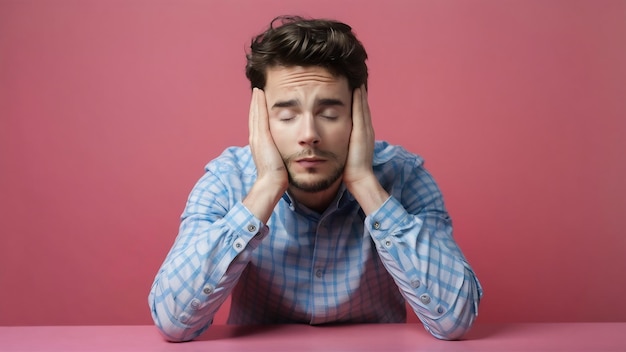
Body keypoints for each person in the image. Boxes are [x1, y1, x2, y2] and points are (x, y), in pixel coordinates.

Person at [149, 15, 483, 342]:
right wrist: (265, 187)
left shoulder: (405, 177)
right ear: (261, 119)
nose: (309, 134)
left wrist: (365, 183)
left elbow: (455, 322)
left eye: (329, 114)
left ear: (358, 113)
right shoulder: (226, 181)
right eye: (287, 115)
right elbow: (172, 322)